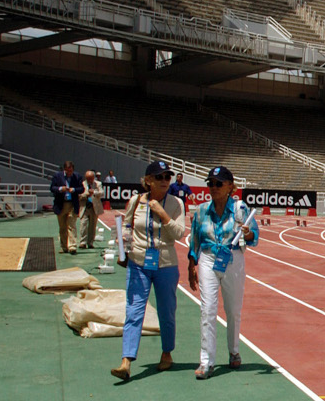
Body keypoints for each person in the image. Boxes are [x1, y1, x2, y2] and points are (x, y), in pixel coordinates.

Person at [111, 161, 186, 381]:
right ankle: (126, 361)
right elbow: (126, 227)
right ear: (148, 181)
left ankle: (167, 353)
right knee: (134, 311)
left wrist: (163, 214)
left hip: (166, 264)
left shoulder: (175, 203)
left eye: (167, 177)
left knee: (166, 312)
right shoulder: (135, 202)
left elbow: (179, 233)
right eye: (160, 177)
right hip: (138, 263)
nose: (165, 181)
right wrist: (122, 250)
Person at [187, 166, 258, 380]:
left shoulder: (240, 209)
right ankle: (206, 362)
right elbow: (195, 240)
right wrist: (192, 265)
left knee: (233, 310)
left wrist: (248, 232)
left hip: (233, 258)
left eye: (218, 183)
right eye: (210, 183)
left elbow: (254, 237)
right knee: (207, 309)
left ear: (230, 187)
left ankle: (234, 350)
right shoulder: (201, 210)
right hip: (209, 259)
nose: (213, 187)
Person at [50, 161, 83, 255]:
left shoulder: (77, 176)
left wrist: (75, 190)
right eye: (68, 171)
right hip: (61, 204)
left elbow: (82, 189)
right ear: (64, 169)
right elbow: (52, 188)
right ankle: (64, 246)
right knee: (62, 227)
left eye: (71, 171)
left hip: (72, 204)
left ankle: (72, 246)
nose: (70, 173)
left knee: (71, 225)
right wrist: (60, 189)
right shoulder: (57, 176)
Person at [77, 170, 105, 249]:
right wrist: (86, 194)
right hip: (85, 207)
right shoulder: (82, 184)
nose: (89, 180)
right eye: (88, 179)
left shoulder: (98, 184)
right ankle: (83, 242)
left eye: (91, 179)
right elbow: (79, 196)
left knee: (92, 226)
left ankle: (90, 242)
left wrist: (94, 192)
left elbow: (102, 193)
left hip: (94, 207)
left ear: (93, 178)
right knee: (83, 224)